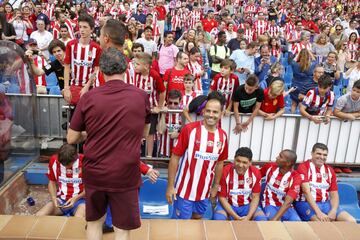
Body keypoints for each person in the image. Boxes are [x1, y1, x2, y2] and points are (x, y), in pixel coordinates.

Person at [67, 48, 151, 240]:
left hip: (95, 171)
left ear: (101, 71)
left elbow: (71, 138)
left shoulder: (88, 97)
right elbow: (143, 133)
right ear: (125, 68)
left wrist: (91, 133)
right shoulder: (141, 96)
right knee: (121, 228)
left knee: (95, 222)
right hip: (125, 172)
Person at [166, 91, 228, 219]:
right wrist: (170, 186)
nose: (211, 115)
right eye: (208, 111)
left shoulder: (222, 136)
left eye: (215, 112)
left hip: (204, 192)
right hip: (184, 191)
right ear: (203, 112)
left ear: (221, 114)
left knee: (197, 219)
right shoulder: (190, 130)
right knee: (181, 226)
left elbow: (220, 163)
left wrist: (216, 186)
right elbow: (175, 158)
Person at [295, 143, 356, 222]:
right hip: (306, 203)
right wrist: (319, 213)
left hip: (326, 204)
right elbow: (306, 192)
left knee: (351, 221)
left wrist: (333, 210)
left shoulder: (330, 170)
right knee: (322, 224)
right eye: (318, 154)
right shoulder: (304, 167)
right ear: (312, 153)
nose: (322, 157)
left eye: (325, 155)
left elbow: (334, 194)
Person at [213, 147, 268, 221]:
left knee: (262, 219)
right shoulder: (225, 171)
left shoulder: (255, 172)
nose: (240, 165)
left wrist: (248, 217)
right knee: (218, 219)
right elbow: (222, 198)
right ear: (234, 159)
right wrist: (236, 217)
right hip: (228, 205)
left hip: (247, 206)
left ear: (250, 163)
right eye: (238, 161)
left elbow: (255, 197)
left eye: (244, 162)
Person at [36, 144, 85, 218]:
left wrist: (76, 198)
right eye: (63, 164)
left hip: (81, 201)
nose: (66, 167)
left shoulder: (85, 161)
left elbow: (92, 187)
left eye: (68, 165)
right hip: (61, 201)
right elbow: (51, 182)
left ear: (76, 158)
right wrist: (54, 198)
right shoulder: (54, 160)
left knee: (78, 220)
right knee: (39, 216)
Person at [63, 14, 101, 105]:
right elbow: (67, 67)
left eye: (85, 27)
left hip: (89, 87)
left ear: (91, 29)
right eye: (80, 27)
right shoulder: (70, 45)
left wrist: (87, 86)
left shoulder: (97, 48)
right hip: (74, 86)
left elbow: (96, 70)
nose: (82, 30)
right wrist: (66, 88)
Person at [133, 52, 166, 157]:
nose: (135, 66)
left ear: (146, 66)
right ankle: (135, 155)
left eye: (137, 64)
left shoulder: (154, 75)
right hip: (136, 109)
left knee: (150, 133)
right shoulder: (134, 74)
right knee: (136, 132)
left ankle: (149, 156)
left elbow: (162, 91)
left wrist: (159, 107)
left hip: (151, 109)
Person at [260, 149, 302, 221]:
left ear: (288, 163)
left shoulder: (296, 177)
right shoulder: (269, 167)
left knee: (296, 222)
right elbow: (256, 175)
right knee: (275, 226)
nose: (277, 157)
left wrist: (275, 219)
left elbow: (288, 202)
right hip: (269, 204)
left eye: (280, 157)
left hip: (286, 207)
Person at [158, 89, 182, 157]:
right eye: (170, 102)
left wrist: (178, 134)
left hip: (178, 154)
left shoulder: (182, 114)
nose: (172, 105)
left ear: (180, 101)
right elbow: (160, 131)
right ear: (167, 101)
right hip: (163, 153)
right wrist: (163, 115)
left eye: (175, 103)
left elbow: (187, 133)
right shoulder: (164, 112)